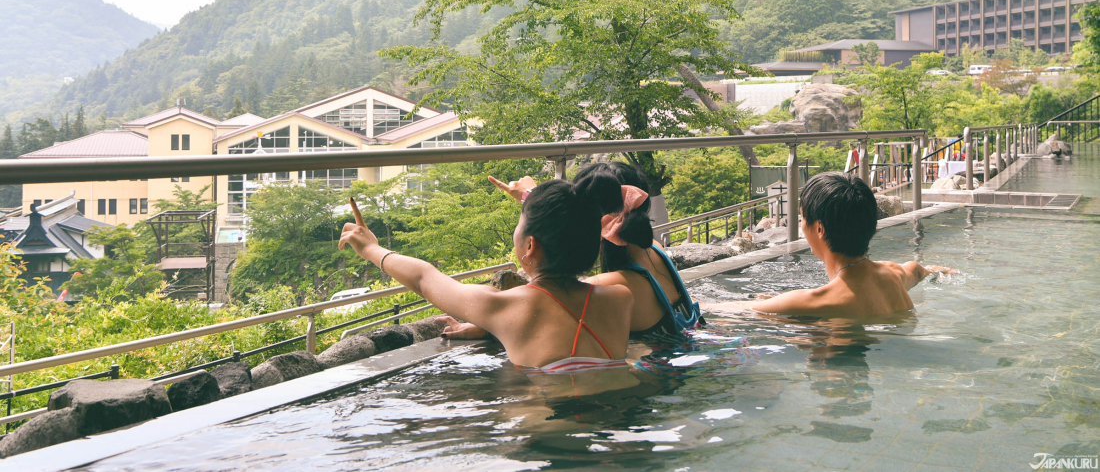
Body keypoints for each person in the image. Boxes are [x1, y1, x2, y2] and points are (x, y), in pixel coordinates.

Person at [339, 177, 634, 373]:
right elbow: (572, 225)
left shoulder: (504, 307)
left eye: (519, 225)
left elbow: (423, 278)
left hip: (550, 431)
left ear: (529, 246)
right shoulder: (620, 298)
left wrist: (370, 249)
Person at [486, 163, 702, 341]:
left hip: (658, 377)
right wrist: (529, 195)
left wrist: (485, 328)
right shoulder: (655, 249)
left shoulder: (606, 287)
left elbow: (536, 311)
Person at [704, 172, 953, 320]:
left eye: (802, 219)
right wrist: (936, 270)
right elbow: (918, 270)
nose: (801, 226)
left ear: (820, 229)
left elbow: (723, 310)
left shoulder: (815, 302)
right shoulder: (893, 275)